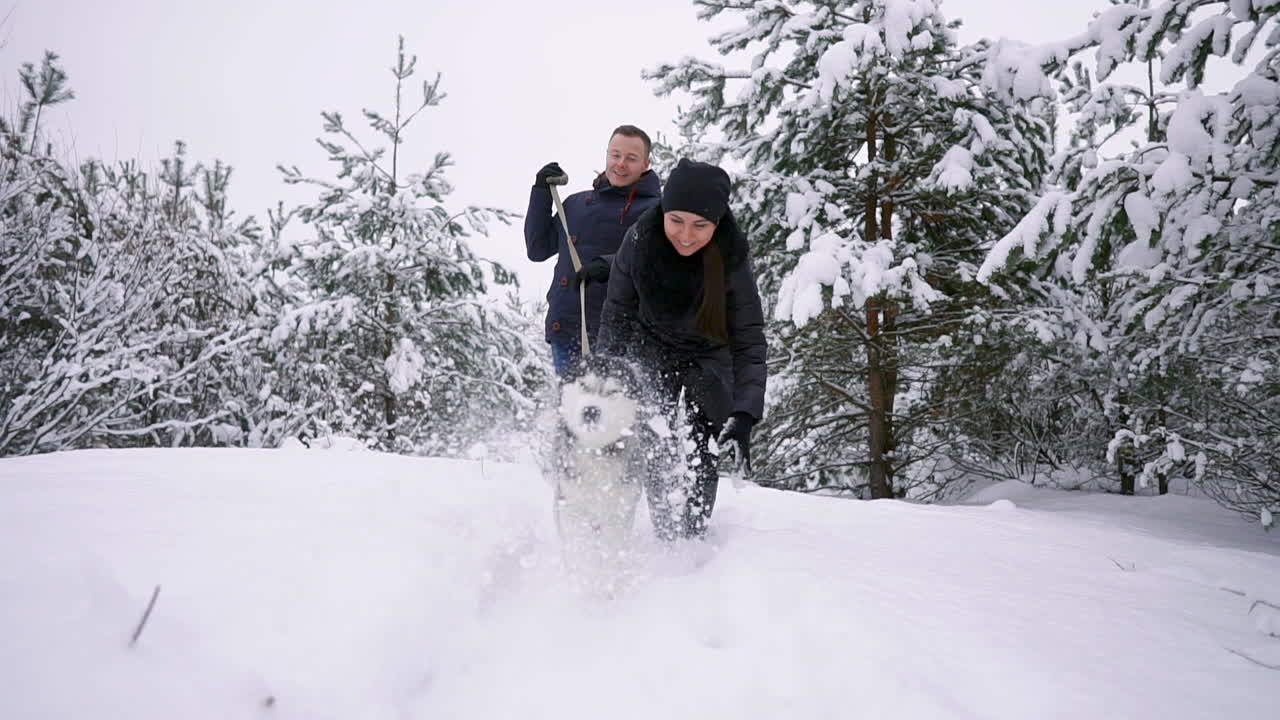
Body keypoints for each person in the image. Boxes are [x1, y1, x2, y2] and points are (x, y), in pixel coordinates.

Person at [595, 158, 767, 540]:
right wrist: (604, 380)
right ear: (663, 214)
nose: (686, 235)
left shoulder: (731, 258)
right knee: (652, 437)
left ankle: (692, 534)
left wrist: (744, 413)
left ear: (717, 223)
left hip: (709, 353)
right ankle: (664, 532)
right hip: (652, 344)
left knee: (701, 440)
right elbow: (617, 314)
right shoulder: (640, 240)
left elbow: (749, 339)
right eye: (677, 221)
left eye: (700, 225)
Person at [524, 125, 661, 378]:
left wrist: (609, 264)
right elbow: (538, 248)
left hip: (624, 335)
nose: (621, 164)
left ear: (646, 164)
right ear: (607, 155)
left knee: (619, 413)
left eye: (631, 158)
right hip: (567, 328)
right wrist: (541, 192)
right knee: (573, 411)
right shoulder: (576, 204)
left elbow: (658, 262)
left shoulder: (657, 212)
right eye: (615, 155)